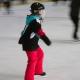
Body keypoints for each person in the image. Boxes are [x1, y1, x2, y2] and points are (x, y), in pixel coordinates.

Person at [18, 2, 52, 80]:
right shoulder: (34, 21)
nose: (43, 12)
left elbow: (28, 30)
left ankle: (38, 71)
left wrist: (22, 37)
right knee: (32, 60)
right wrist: (46, 39)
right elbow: (39, 31)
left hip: (33, 42)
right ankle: (29, 78)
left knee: (40, 54)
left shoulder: (34, 18)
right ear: (36, 11)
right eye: (41, 11)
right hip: (29, 43)